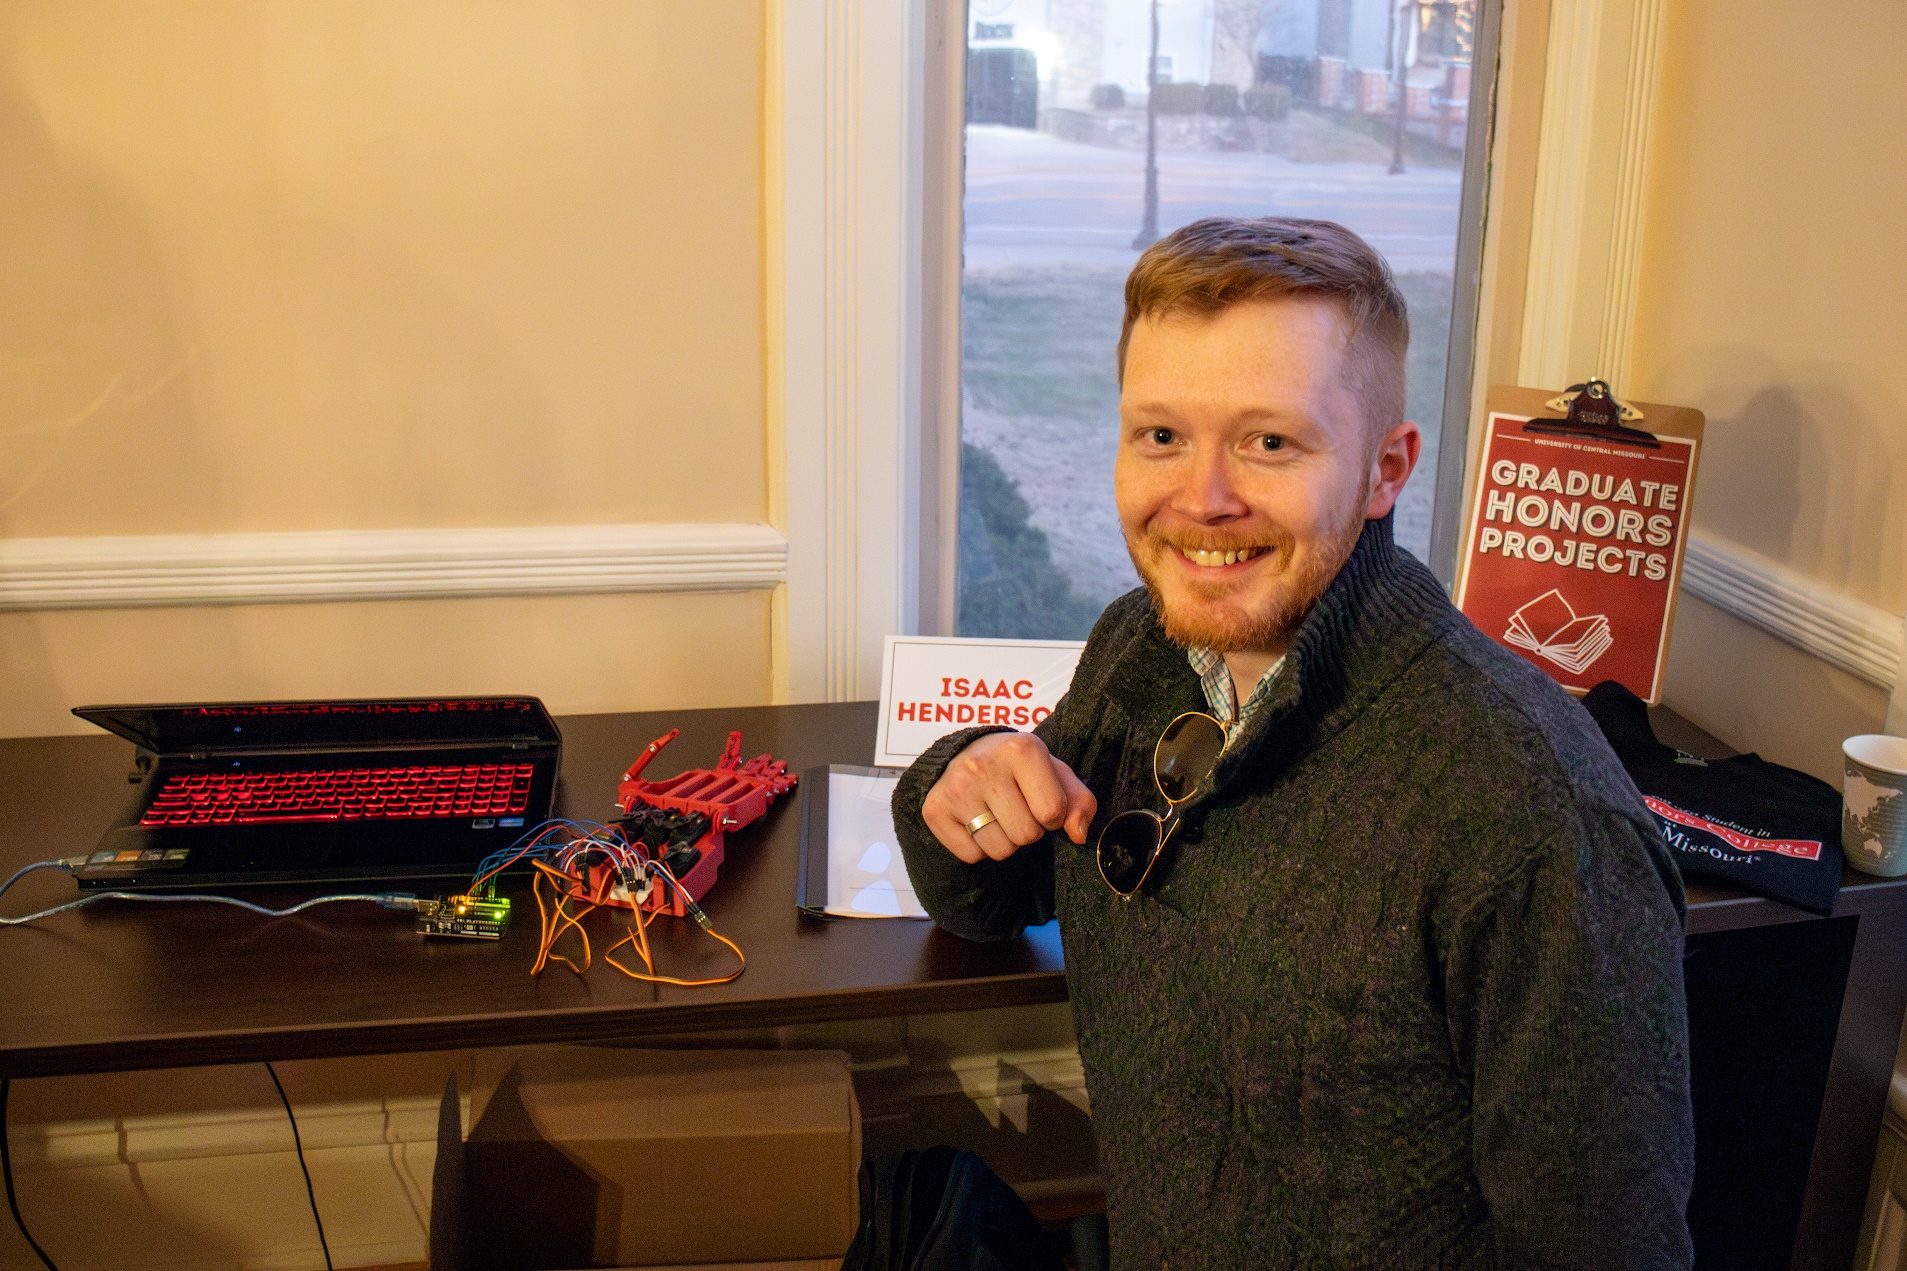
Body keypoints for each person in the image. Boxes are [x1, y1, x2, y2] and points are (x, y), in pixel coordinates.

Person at [892, 217, 1693, 1267]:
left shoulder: (1527, 812)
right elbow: (991, 896)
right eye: (1159, 435)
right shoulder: (1142, 646)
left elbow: (1602, 1249)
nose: (1201, 499)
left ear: (1382, 468)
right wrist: (961, 783)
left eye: (1269, 441)